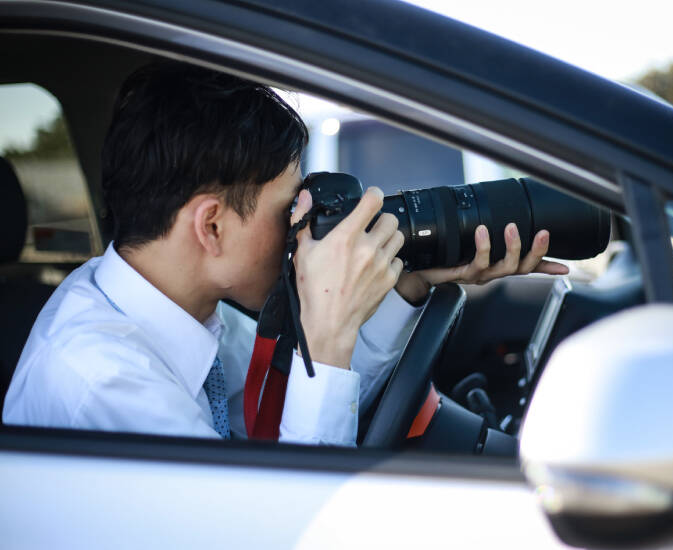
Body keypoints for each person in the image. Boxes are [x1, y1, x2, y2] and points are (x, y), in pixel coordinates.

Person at [2, 63, 567, 445]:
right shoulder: (102, 382)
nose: (301, 226)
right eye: (285, 210)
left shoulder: (189, 308)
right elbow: (277, 525)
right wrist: (325, 333)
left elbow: (304, 404)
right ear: (213, 226)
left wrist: (406, 285)